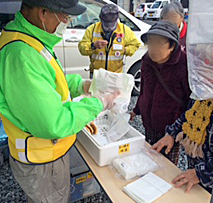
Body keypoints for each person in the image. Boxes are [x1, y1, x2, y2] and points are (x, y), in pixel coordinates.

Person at [0, 0, 119, 202]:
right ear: (43, 13)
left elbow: (48, 84)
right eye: (65, 17)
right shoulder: (22, 55)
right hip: (42, 159)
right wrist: (98, 103)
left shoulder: (31, 39)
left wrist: (81, 85)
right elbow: (54, 123)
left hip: (47, 154)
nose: (66, 23)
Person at [130, 21, 191, 165]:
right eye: (150, 42)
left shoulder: (184, 66)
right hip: (149, 122)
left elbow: (191, 105)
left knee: (166, 167)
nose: (153, 48)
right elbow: (144, 88)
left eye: (159, 43)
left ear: (172, 46)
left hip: (171, 128)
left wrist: (175, 132)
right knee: (148, 160)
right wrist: (137, 109)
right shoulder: (146, 61)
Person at [152, 99, 213, 193]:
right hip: (194, 173)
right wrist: (171, 134)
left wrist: (201, 173)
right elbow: (188, 116)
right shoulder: (203, 94)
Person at [78, 4, 141, 78]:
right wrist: (93, 45)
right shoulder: (92, 29)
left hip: (116, 75)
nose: (109, 27)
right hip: (97, 75)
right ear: (101, 19)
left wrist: (125, 50)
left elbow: (135, 44)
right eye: (106, 24)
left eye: (111, 24)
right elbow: (82, 47)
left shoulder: (124, 30)